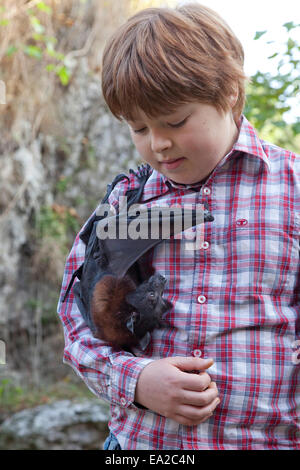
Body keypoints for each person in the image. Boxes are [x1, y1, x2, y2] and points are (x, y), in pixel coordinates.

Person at [57, 3, 300, 450]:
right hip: (143, 446)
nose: (158, 142)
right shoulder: (127, 203)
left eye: (174, 122)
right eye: (139, 127)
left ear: (228, 92)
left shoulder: (293, 190)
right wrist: (136, 380)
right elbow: (75, 322)